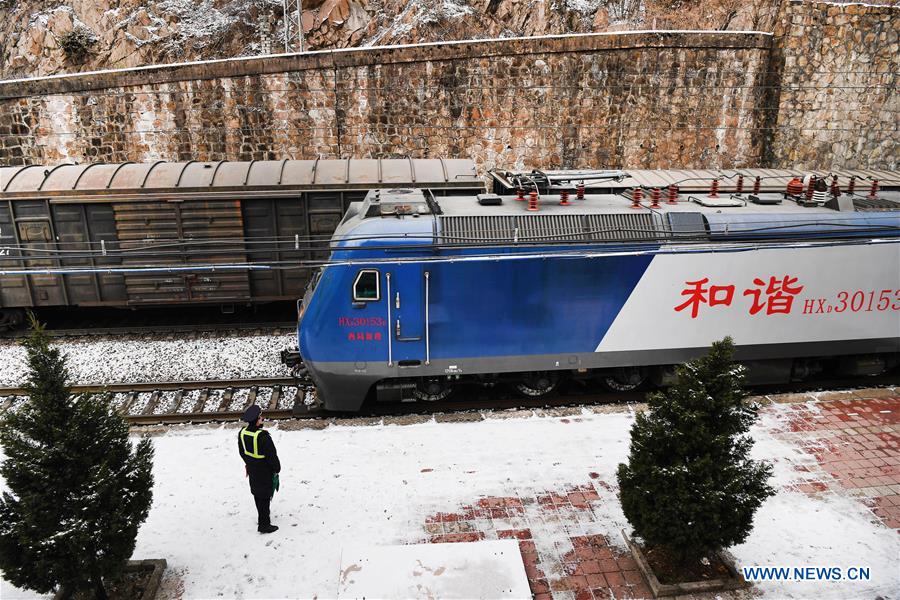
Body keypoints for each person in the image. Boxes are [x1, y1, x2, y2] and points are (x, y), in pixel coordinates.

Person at [238, 404, 281, 533]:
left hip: (252, 469)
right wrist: (277, 468)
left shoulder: (242, 433)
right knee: (265, 496)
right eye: (261, 418)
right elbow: (272, 456)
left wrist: (249, 462)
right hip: (264, 471)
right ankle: (264, 524)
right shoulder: (263, 437)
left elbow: (242, 452)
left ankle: (262, 515)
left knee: (257, 493)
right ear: (257, 421)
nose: (262, 419)